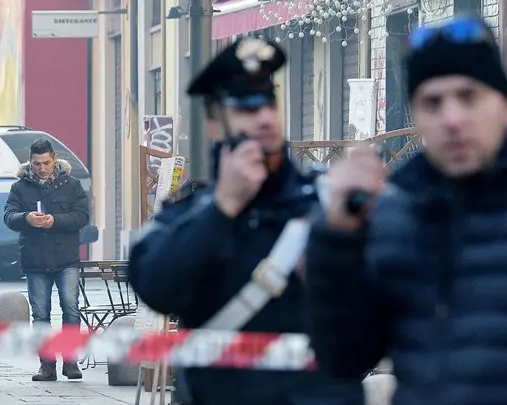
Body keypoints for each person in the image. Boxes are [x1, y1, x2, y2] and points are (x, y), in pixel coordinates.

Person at [305, 16, 507, 405]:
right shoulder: (397, 213)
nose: (452, 119)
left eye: (469, 96)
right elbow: (345, 358)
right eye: (433, 103)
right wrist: (338, 238)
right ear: (416, 115)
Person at [127, 36, 364, 405]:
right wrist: (223, 207)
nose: (265, 118)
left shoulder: (325, 202)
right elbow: (157, 288)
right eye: (246, 108)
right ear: (215, 126)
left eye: (269, 102)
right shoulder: (188, 214)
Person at [3, 138, 89, 382]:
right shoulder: (20, 187)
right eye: (37, 163)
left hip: (66, 258)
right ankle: (47, 365)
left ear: (55, 160)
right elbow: (9, 216)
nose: (42, 168)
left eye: (46, 163)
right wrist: (26, 217)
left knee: (71, 308)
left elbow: (82, 216)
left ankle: (70, 360)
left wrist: (56, 221)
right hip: (35, 259)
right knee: (40, 313)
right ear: (30, 162)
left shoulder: (71, 185)